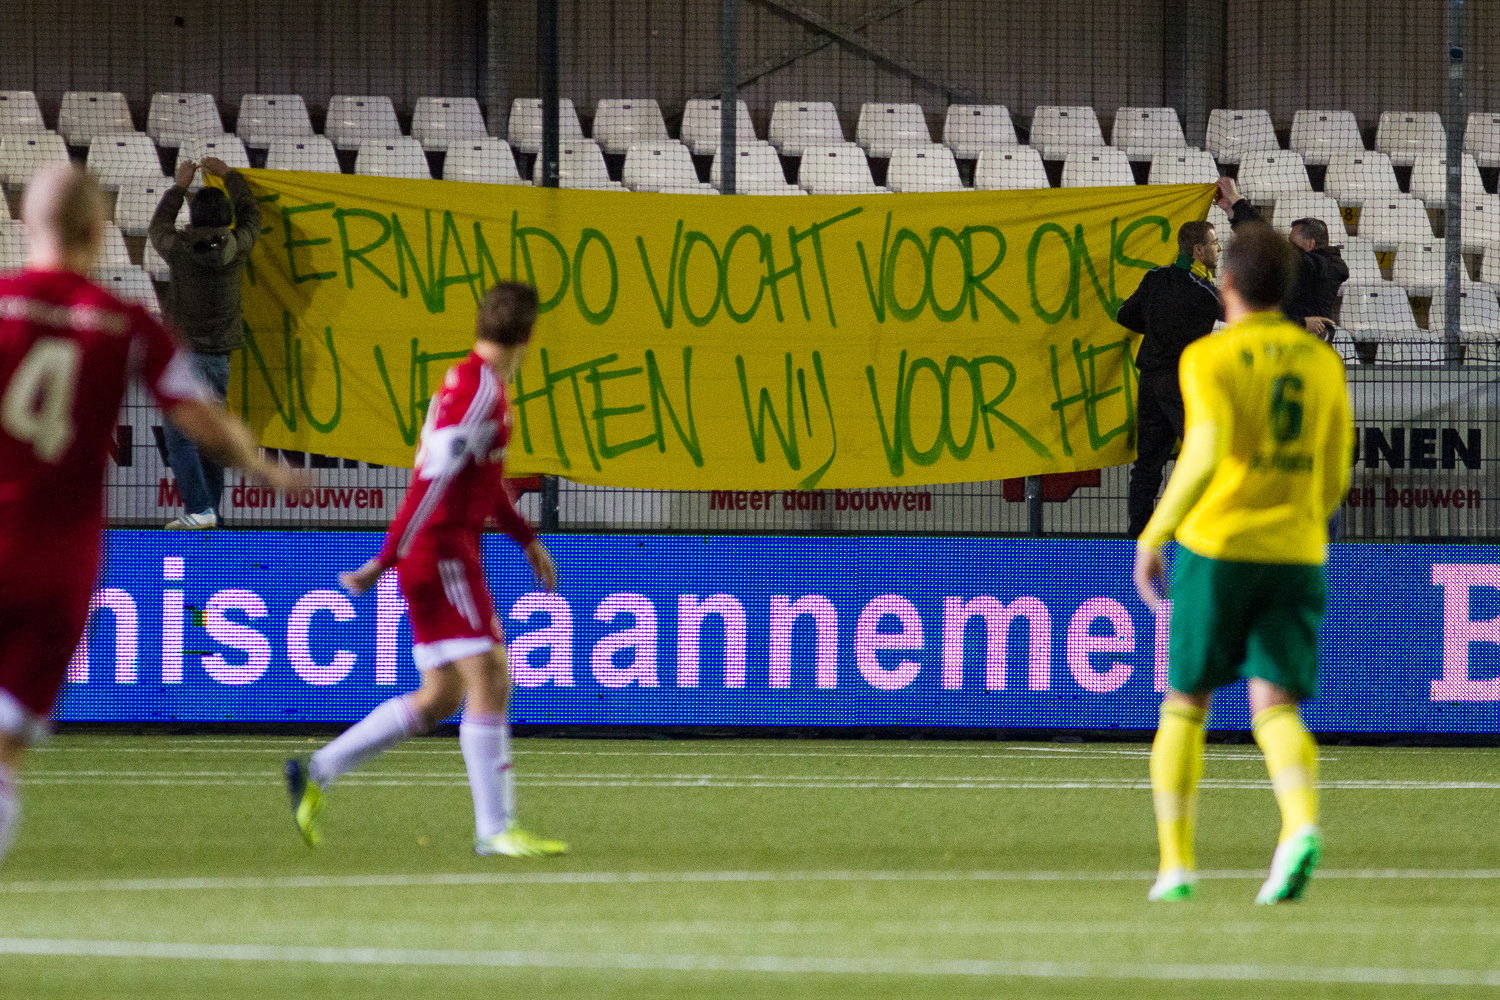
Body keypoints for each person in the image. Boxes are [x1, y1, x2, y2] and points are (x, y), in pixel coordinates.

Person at [0, 164, 300, 866]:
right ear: (98, 231)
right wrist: (263, 468)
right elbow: (201, 418)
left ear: (25, 223)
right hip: (57, 567)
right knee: (6, 751)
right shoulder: (126, 325)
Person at [285, 282, 566, 858]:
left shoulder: (470, 384)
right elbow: (431, 484)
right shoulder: (481, 394)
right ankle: (495, 829)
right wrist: (383, 559)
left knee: (440, 696)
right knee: (492, 676)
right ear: (530, 334)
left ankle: (317, 770)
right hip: (442, 554)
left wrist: (525, 539)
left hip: (438, 551)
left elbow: (481, 481)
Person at [1133, 221, 1353, 905]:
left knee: (1185, 705)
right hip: (1295, 552)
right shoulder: (1322, 363)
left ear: (1225, 283)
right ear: (1287, 288)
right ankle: (1299, 826)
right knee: (1275, 705)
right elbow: (1335, 469)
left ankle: (1176, 868)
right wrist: (1301, 524)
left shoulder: (1209, 357)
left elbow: (1204, 452)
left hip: (1220, 549)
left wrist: (1154, 535)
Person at [149, 155, 263, 530]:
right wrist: (229, 176)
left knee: (180, 439)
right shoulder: (237, 245)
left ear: (194, 216)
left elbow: (157, 228)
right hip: (219, 360)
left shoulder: (178, 249)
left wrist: (180, 186)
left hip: (183, 360)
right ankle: (211, 513)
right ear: (226, 217)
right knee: (211, 441)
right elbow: (253, 217)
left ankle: (200, 509)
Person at [1116, 220, 1224, 537]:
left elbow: (1124, 315)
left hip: (1150, 381)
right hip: (1182, 383)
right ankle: (1198, 533)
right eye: (1214, 243)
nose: (1219, 248)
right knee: (1201, 456)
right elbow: (1242, 315)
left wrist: (1156, 328)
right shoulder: (1205, 290)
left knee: (1147, 464)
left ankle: (1139, 536)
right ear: (1198, 250)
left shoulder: (1154, 278)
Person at [1215, 177, 1349, 340]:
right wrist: (1232, 212)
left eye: (1292, 244)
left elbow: (1265, 239)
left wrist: (1237, 201)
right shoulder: (1317, 267)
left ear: (1310, 244)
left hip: (1302, 347)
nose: (1288, 249)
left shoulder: (1322, 268)